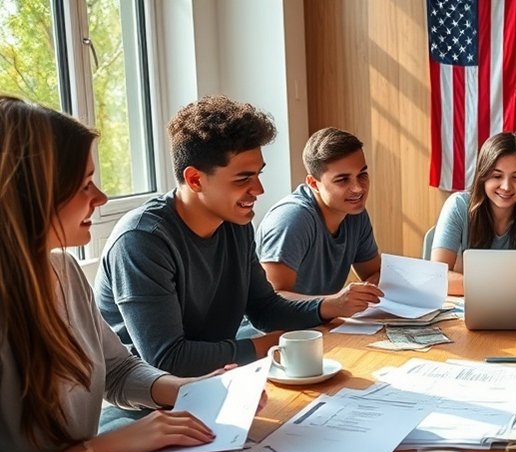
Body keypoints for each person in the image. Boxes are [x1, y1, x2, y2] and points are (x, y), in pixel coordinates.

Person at [0, 97, 216, 452]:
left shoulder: (64, 271)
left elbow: (117, 370)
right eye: (84, 185)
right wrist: (106, 446)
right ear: (30, 197)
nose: (100, 198)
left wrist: (187, 390)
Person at [96, 96, 354, 377]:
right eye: (243, 178)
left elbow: (264, 308)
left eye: (258, 174)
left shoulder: (234, 223)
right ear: (195, 179)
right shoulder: (141, 240)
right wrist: (272, 343)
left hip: (219, 378)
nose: (259, 189)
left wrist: (330, 306)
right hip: (156, 395)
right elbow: (168, 359)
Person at [256, 128, 383, 309]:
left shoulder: (354, 213)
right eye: (342, 180)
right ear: (313, 184)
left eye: (362, 175)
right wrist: (335, 302)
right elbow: (272, 300)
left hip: (321, 322)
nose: (358, 189)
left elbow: (375, 275)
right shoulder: (292, 219)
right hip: (274, 326)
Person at [430, 131, 516, 295]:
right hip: (467, 304)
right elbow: (436, 278)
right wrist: (501, 285)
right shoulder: (458, 205)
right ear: (482, 176)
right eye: (497, 176)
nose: (506, 187)